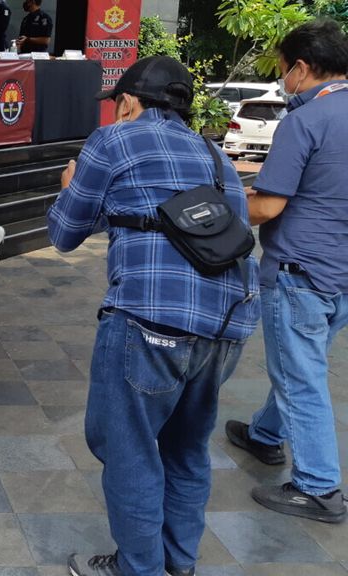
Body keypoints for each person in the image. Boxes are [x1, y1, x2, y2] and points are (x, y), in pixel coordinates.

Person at [47, 56, 261, 576]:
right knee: (187, 449)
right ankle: (177, 564)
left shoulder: (112, 140)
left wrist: (70, 186)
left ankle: (137, 569)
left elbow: (64, 234)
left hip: (150, 320)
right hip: (227, 327)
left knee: (129, 449)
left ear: (127, 102)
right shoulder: (216, 155)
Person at [224, 20, 348, 525]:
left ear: (300, 68)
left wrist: (217, 204)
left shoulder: (307, 119)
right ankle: (265, 435)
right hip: (342, 271)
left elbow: (268, 207)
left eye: (281, 69)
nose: (282, 81)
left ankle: (318, 488)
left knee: (300, 376)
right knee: (303, 362)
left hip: (301, 270)